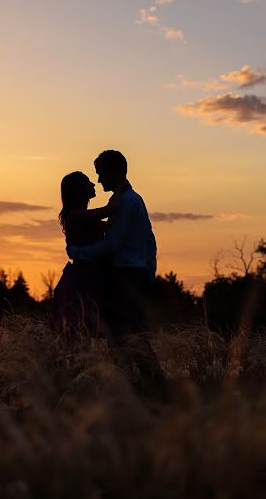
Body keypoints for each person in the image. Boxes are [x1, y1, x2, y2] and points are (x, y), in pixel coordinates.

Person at [66, 150, 162, 389]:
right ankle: (135, 386)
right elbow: (150, 240)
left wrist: (77, 254)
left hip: (127, 275)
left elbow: (112, 245)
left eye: (100, 174)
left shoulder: (127, 202)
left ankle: (151, 384)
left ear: (114, 172)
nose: (98, 180)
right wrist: (149, 270)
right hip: (132, 273)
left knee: (126, 334)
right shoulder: (131, 200)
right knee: (122, 334)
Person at [50, 171, 116, 337]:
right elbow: (107, 211)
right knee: (82, 326)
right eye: (88, 182)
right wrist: (122, 195)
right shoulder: (76, 216)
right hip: (83, 278)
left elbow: (107, 224)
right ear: (79, 190)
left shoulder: (81, 217)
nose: (94, 185)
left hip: (88, 275)